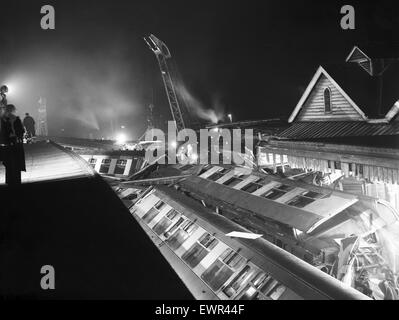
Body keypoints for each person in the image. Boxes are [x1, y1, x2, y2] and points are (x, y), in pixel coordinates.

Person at [0, 104, 26, 186]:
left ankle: (9, 180)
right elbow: (21, 131)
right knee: (17, 162)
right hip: (16, 143)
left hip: (7, 144)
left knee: (8, 163)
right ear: (13, 110)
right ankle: (17, 180)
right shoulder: (17, 119)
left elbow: (2, 133)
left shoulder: (3, 119)